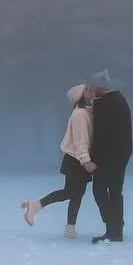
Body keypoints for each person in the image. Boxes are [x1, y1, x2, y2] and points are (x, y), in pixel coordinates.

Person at [21, 84, 97, 239]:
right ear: (80, 96)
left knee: (77, 194)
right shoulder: (81, 114)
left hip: (77, 159)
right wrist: (85, 160)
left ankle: (70, 228)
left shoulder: (87, 112)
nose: (92, 92)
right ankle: (36, 205)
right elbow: (81, 140)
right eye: (87, 91)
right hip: (76, 159)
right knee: (71, 192)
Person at [87, 70, 132, 243]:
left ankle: (112, 226)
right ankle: (116, 229)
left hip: (109, 157)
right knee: (115, 191)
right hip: (121, 155)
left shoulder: (105, 105)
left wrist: (93, 158)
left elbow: (101, 135)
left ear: (99, 87)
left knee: (99, 190)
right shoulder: (119, 100)